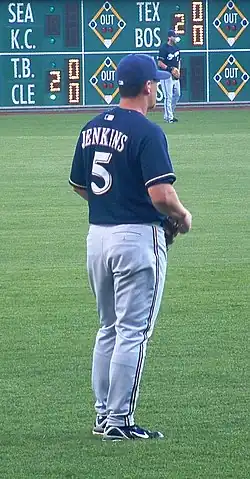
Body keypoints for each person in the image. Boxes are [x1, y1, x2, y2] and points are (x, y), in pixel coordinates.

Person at [69, 54, 192, 441]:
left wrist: (112, 202)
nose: (156, 87)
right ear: (147, 87)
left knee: (108, 328)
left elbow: (77, 183)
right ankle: (119, 421)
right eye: (154, 83)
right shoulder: (146, 131)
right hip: (136, 238)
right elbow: (160, 194)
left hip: (97, 237)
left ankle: (104, 415)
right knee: (133, 331)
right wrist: (184, 215)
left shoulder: (91, 127)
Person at [158, 29, 181, 123]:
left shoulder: (176, 48)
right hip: (166, 75)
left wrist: (178, 71)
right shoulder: (163, 48)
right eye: (174, 36)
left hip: (174, 75)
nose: (175, 38)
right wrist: (170, 69)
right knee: (168, 96)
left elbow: (179, 60)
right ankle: (169, 117)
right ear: (169, 37)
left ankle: (169, 113)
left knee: (177, 94)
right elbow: (160, 63)